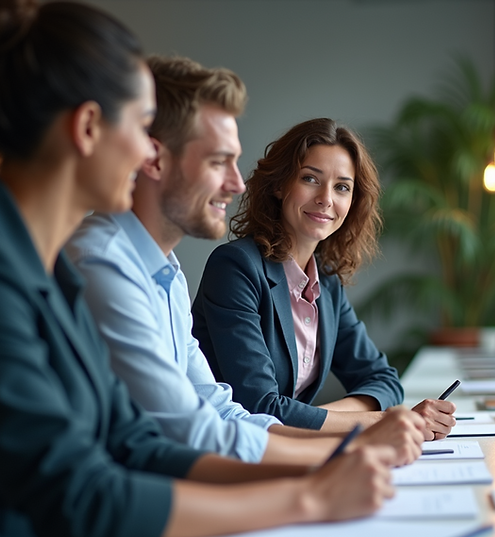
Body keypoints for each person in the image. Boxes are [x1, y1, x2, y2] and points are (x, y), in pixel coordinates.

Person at [0, 2, 394, 537]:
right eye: (145, 128)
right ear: (90, 127)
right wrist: (311, 496)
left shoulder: (44, 269)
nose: (151, 153)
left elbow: (135, 442)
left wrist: (326, 469)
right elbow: (82, 498)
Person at [65, 55, 424, 466]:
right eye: (218, 161)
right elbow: (201, 427)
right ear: (154, 158)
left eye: (342, 187)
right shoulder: (106, 262)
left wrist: (352, 448)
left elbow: (222, 413)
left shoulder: (167, 271)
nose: (236, 183)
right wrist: (357, 441)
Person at [192, 118, 457, 440]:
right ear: (279, 185)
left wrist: (331, 418)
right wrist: (380, 422)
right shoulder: (236, 267)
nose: (326, 198)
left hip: (293, 450)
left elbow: (385, 381)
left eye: (342, 186)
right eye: (310, 179)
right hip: (229, 455)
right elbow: (261, 408)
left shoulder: (326, 283)